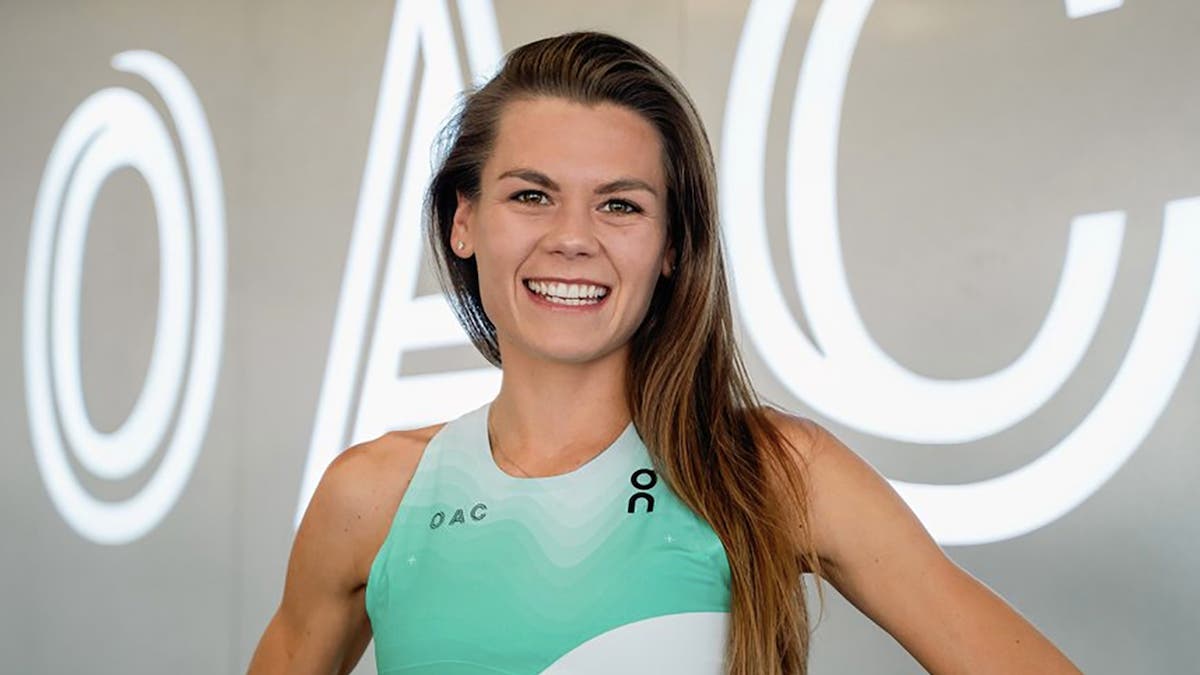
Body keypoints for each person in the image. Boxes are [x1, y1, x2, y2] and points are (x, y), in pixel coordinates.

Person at [247, 30, 1082, 675]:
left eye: (620, 205)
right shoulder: (371, 496)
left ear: (673, 244)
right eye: (531, 195)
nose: (572, 238)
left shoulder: (772, 471)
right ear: (464, 221)